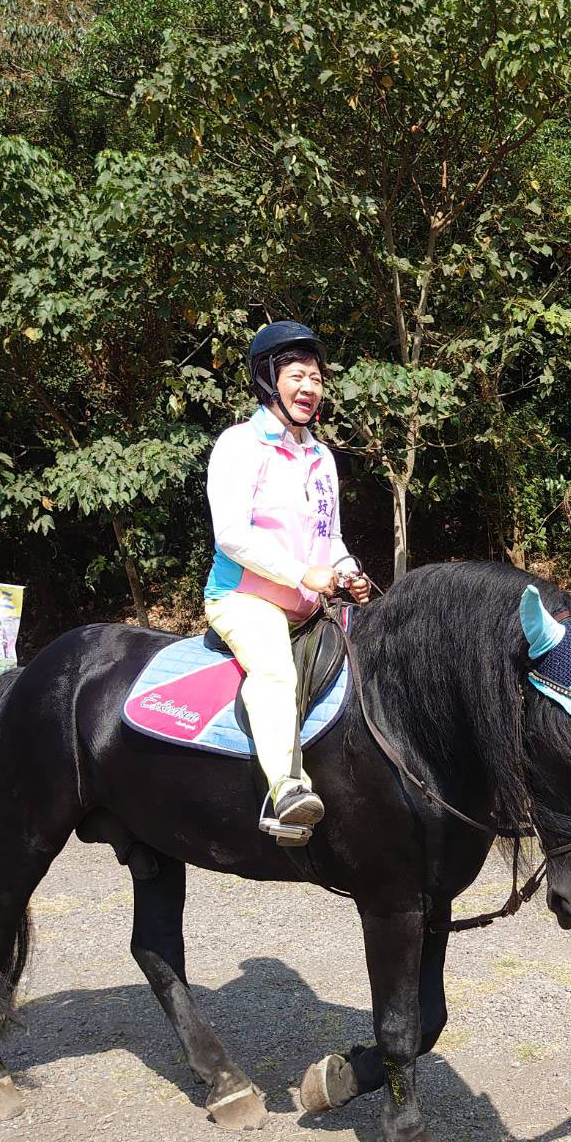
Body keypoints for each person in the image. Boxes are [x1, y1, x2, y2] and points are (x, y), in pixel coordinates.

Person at [203, 320, 371, 832]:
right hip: (245, 599)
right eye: (297, 375)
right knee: (275, 670)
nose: (309, 388)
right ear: (268, 380)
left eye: (316, 378)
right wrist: (303, 573)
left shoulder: (321, 458)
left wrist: (348, 574)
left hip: (310, 604)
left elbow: (331, 537)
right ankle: (286, 788)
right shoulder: (238, 445)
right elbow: (231, 534)